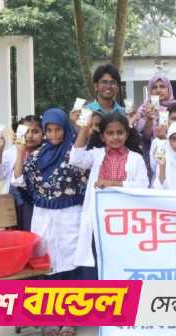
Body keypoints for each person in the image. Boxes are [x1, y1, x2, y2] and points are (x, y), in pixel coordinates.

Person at [11, 108, 88, 280]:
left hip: (70, 218)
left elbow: (84, 171)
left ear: (65, 128)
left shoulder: (74, 152)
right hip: (43, 217)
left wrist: (83, 127)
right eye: (49, 130)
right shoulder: (37, 155)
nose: (54, 134)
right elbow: (19, 180)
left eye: (58, 129)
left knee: (72, 263)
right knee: (46, 263)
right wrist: (20, 152)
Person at [69, 112, 149, 277]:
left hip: (125, 221)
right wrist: (84, 128)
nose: (115, 137)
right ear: (102, 136)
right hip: (98, 220)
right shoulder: (96, 154)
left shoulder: (135, 158)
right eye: (110, 133)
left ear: (127, 134)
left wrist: (112, 184)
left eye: (120, 132)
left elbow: (142, 186)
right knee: (97, 264)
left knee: (121, 263)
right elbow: (76, 159)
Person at [0, 115, 43, 231]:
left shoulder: (45, 153)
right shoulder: (11, 152)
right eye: (25, 132)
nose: (29, 136)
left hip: (36, 206)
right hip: (13, 206)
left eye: (35, 131)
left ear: (43, 133)